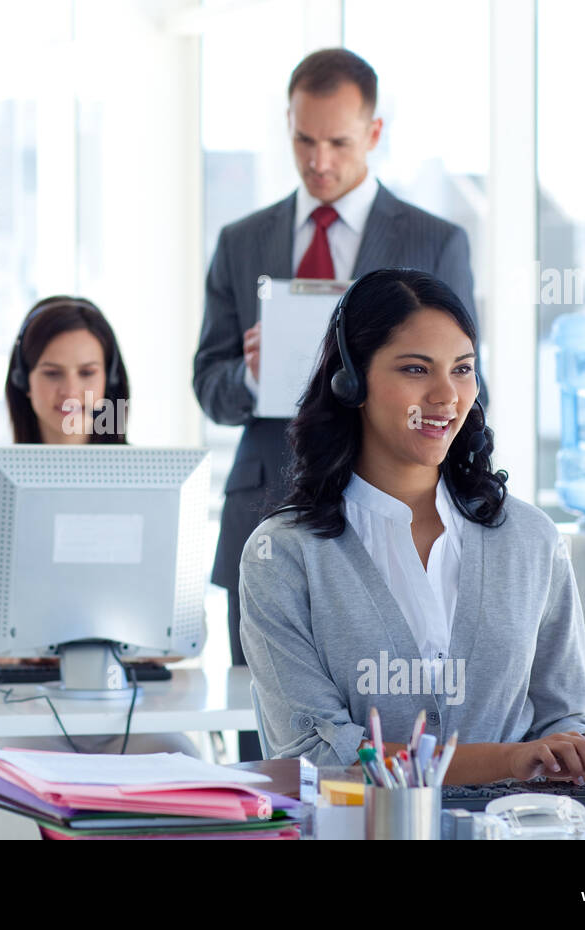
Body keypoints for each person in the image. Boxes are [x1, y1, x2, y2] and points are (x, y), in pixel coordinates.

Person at [240, 269, 585, 784]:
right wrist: (511, 761)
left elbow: (563, 719)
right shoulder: (284, 555)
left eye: (462, 369)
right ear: (352, 382)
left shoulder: (531, 538)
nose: (447, 396)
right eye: (416, 370)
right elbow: (312, 757)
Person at [193, 48, 478, 760]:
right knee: (268, 734)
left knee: (379, 713)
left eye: (338, 142)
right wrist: (253, 375)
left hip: (391, 502)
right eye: (303, 140)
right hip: (266, 502)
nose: (318, 161)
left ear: (374, 134)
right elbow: (208, 383)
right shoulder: (242, 241)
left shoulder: (434, 242)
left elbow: (459, 376)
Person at [0, 296, 195, 756]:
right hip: (22, 709)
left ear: (109, 381)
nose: (70, 391)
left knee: (185, 768)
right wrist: (4, 653)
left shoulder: (153, 482)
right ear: (23, 380)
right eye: (52, 372)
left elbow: (184, 637)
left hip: (128, 708)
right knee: (9, 779)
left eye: (87, 372)